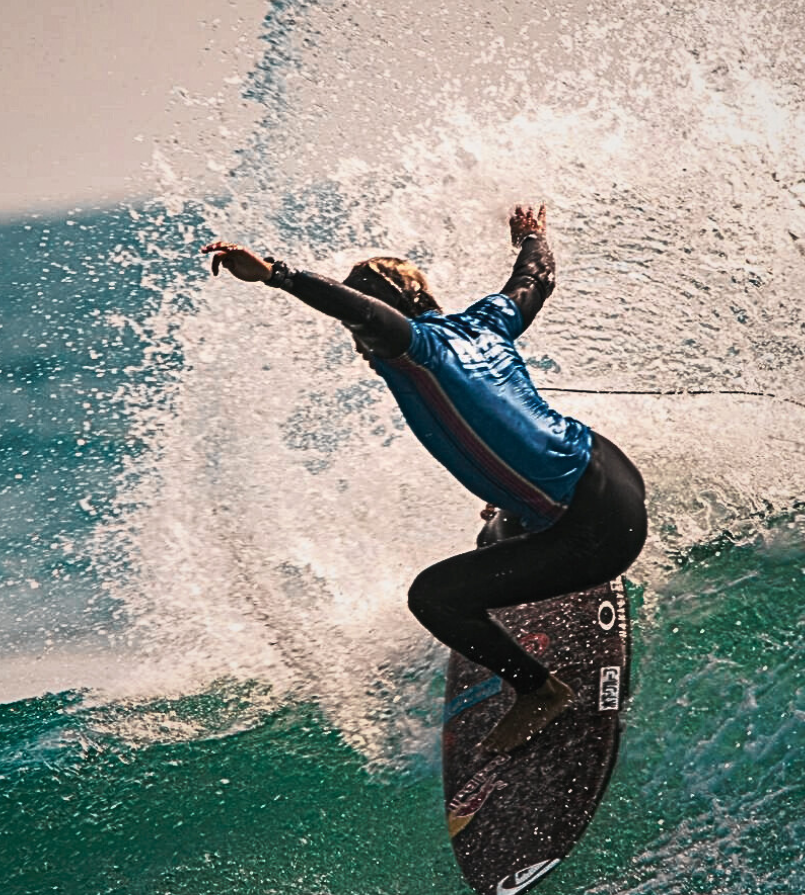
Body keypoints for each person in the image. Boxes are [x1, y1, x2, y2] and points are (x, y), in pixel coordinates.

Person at [202, 204, 647, 752]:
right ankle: (532, 550)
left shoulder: (416, 350)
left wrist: (274, 273)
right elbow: (535, 279)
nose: (358, 343)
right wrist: (532, 236)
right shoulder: (485, 321)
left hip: (596, 531)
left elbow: (361, 311)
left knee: (434, 598)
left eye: (358, 330)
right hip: (612, 472)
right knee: (492, 535)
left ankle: (539, 692)